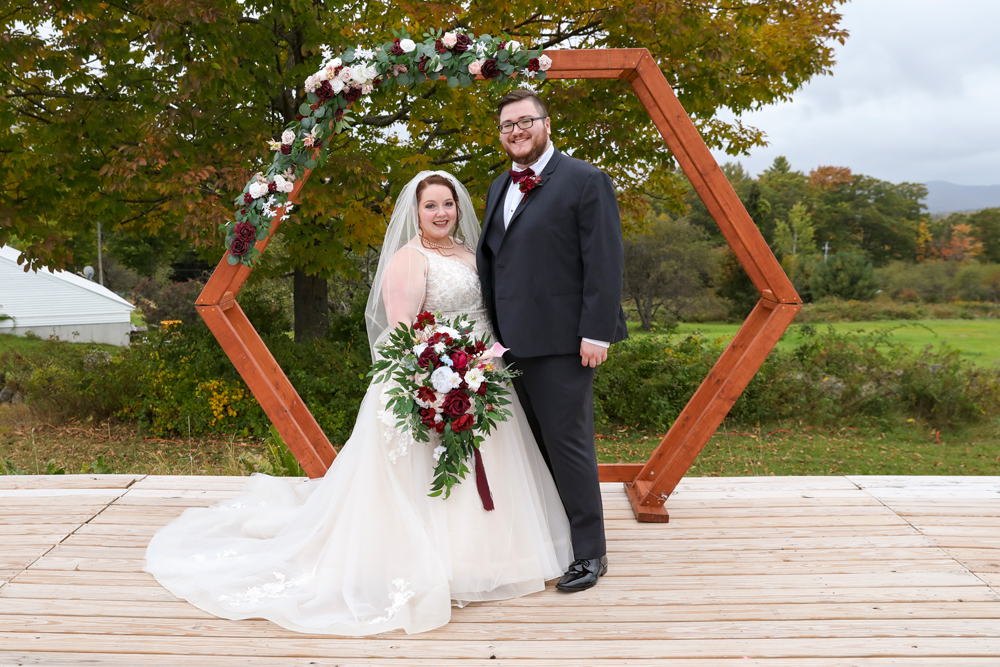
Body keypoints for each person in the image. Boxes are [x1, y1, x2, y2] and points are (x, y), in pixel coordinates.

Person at [144, 171, 572, 636]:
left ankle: (492, 557)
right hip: (433, 376)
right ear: (415, 212)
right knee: (427, 471)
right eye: (430, 205)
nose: (441, 213)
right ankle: (436, 561)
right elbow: (404, 329)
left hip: (483, 371)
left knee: (498, 464)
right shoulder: (409, 260)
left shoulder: (471, 254)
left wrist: (480, 367)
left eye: (447, 204)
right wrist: (438, 381)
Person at [476, 89, 628, 592]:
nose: (516, 131)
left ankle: (589, 553)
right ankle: (556, 540)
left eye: (525, 121)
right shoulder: (498, 186)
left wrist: (596, 332)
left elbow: (604, 261)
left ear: (545, 124)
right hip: (510, 345)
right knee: (534, 447)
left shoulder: (585, 180)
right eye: (507, 125)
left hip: (565, 342)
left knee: (568, 446)